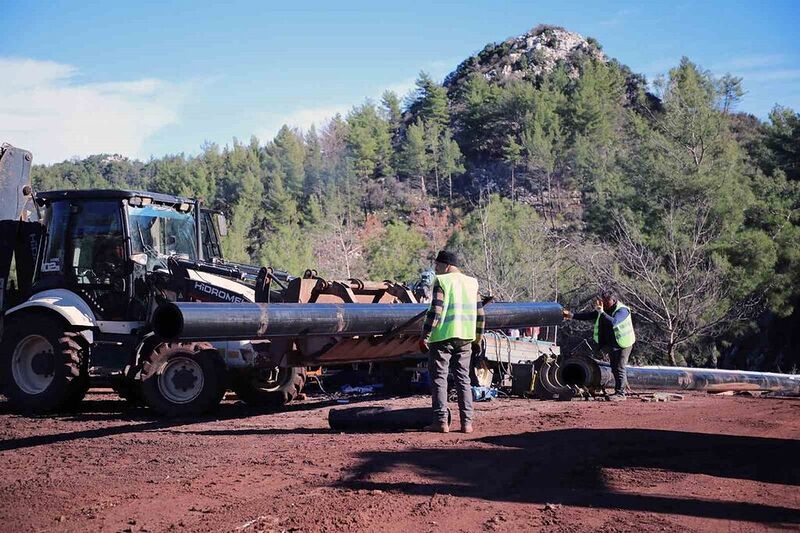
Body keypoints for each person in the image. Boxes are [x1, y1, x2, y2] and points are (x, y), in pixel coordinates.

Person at [419, 250, 485, 433]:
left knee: (439, 379)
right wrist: (477, 339)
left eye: (437, 266)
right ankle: (467, 423)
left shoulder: (442, 281)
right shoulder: (472, 283)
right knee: (463, 379)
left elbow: (436, 311)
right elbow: (480, 315)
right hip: (465, 338)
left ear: (446, 265)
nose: (436, 269)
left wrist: (425, 335)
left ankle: (440, 422)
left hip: (442, 338)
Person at [563, 289, 636, 400]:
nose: (605, 304)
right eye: (604, 301)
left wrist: (601, 312)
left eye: (607, 301)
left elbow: (614, 322)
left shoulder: (622, 310)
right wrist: (571, 315)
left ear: (614, 300)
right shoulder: (603, 308)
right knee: (614, 367)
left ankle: (620, 394)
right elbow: (588, 315)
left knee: (620, 367)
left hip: (623, 343)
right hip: (612, 343)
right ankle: (619, 391)